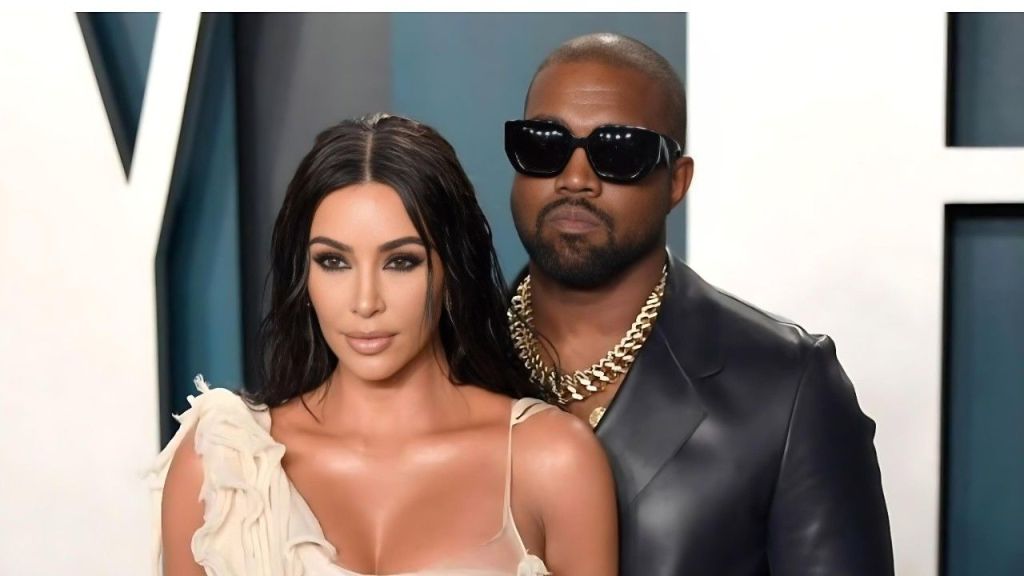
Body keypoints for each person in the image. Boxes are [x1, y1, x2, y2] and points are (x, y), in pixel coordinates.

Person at [152, 114, 617, 576]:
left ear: (453, 270)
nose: (365, 302)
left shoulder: (553, 462)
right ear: (303, 275)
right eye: (334, 262)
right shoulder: (221, 465)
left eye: (401, 262)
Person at [504, 33, 894, 575]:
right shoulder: (450, 357)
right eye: (544, 145)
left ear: (677, 182)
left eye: (619, 152)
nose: (575, 179)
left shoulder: (788, 386)